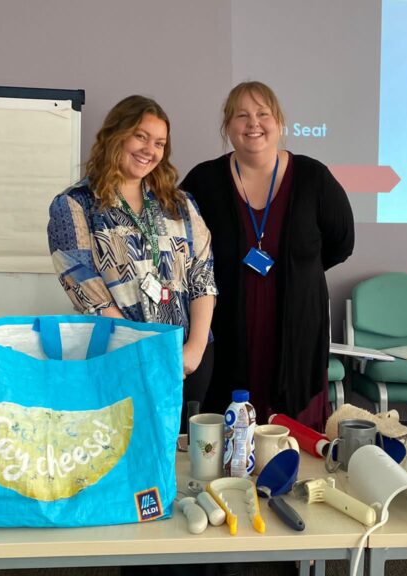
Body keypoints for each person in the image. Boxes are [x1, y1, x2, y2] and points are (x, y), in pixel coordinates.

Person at [181, 81, 354, 427]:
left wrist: (298, 272)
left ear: (279, 122)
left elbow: (342, 242)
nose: (253, 123)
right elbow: (180, 250)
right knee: (231, 438)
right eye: (241, 115)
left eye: (263, 114)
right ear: (228, 127)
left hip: (297, 333)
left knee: (295, 442)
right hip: (227, 331)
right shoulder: (204, 181)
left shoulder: (312, 177)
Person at [48, 95, 217, 430]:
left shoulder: (180, 204)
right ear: (116, 135)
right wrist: (147, 352)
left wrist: (194, 348)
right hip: (121, 357)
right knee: (128, 460)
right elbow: (87, 292)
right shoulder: (74, 206)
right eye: (141, 136)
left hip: (190, 359)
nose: (149, 150)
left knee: (182, 462)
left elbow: (203, 275)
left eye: (159, 143)